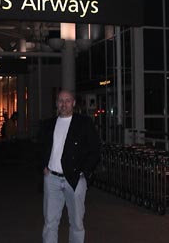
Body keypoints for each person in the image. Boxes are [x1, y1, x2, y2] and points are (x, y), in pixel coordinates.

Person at [38, 90, 100, 243]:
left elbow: (95, 150)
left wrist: (84, 172)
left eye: (67, 100)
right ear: (56, 104)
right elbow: (40, 147)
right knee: (50, 222)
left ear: (73, 103)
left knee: (77, 223)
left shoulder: (84, 123)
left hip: (75, 179)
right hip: (51, 178)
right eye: (61, 101)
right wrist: (43, 165)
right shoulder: (48, 124)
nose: (64, 104)